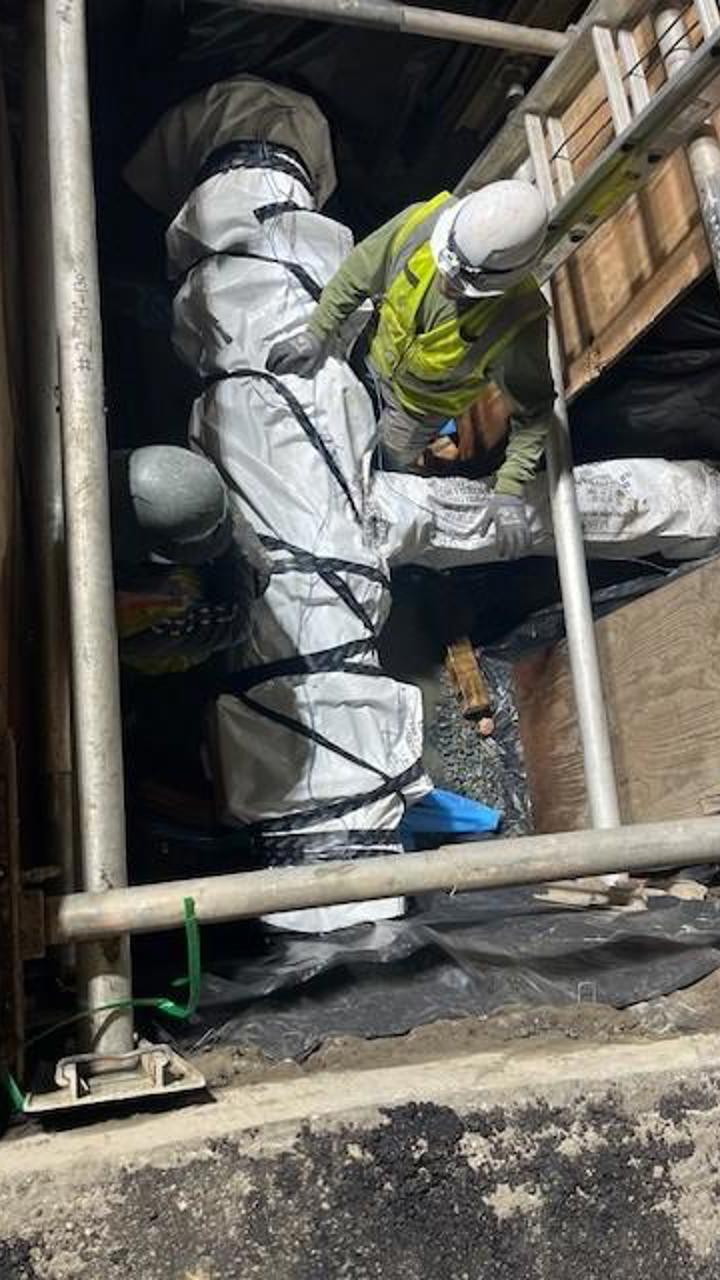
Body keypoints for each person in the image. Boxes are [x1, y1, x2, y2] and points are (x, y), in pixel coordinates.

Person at [267, 179, 555, 559]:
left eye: (464, 279)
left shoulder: (518, 322)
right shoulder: (422, 222)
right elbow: (358, 271)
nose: (447, 282)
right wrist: (317, 333)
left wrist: (509, 489)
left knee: (378, 481)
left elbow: (533, 413)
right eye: (446, 265)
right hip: (367, 358)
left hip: (413, 417)